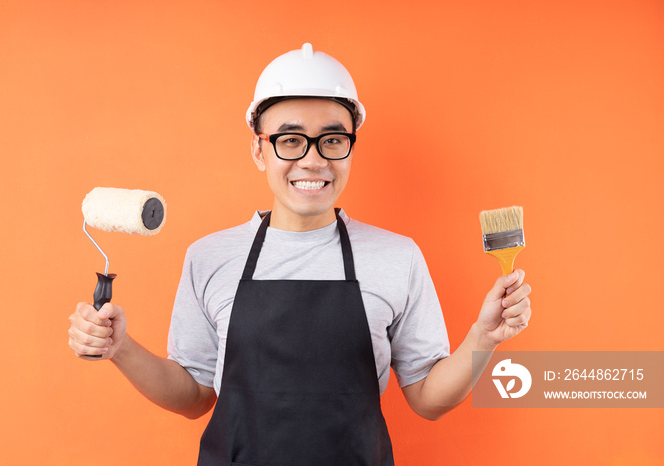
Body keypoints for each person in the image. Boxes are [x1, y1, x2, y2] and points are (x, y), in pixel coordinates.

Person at [68, 43, 532, 465]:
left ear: (351, 148)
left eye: (332, 139)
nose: (313, 160)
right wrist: (120, 348)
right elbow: (193, 397)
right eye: (290, 140)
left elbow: (429, 400)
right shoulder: (209, 257)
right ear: (259, 150)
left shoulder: (398, 257)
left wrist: (483, 338)